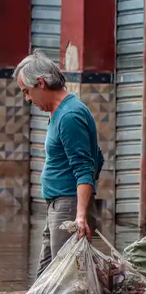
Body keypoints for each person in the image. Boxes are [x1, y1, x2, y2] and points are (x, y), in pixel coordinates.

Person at [15, 50, 104, 277]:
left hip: (68, 208)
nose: (27, 99)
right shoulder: (59, 113)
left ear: (41, 83)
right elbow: (98, 156)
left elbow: (85, 167)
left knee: (67, 285)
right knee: (44, 284)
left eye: (27, 91)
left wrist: (80, 215)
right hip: (59, 206)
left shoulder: (69, 116)